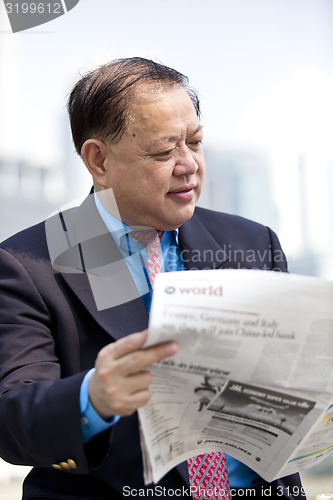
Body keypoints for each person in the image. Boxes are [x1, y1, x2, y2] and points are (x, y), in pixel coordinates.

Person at [0, 57, 306, 499]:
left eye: (195, 143)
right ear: (98, 160)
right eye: (164, 151)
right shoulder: (28, 264)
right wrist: (94, 397)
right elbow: (12, 419)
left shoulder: (254, 242)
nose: (189, 165)